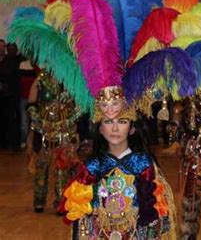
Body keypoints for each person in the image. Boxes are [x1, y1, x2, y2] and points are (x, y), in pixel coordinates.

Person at [59, 88, 177, 239]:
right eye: (108, 121)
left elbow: (156, 214)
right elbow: (81, 219)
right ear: (100, 128)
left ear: (132, 128)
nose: (115, 128)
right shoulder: (92, 166)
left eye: (122, 121)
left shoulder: (143, 164)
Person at [27, 71, 81, 213]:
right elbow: (31, 103)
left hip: (64, 130)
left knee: (62, 167)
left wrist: (69, 120)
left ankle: (60, 202)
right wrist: (37, 119)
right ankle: (39, 201)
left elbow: (80, 105)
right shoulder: (41, 79)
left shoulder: (71, 80)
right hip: (44, 129)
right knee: (41, 166)